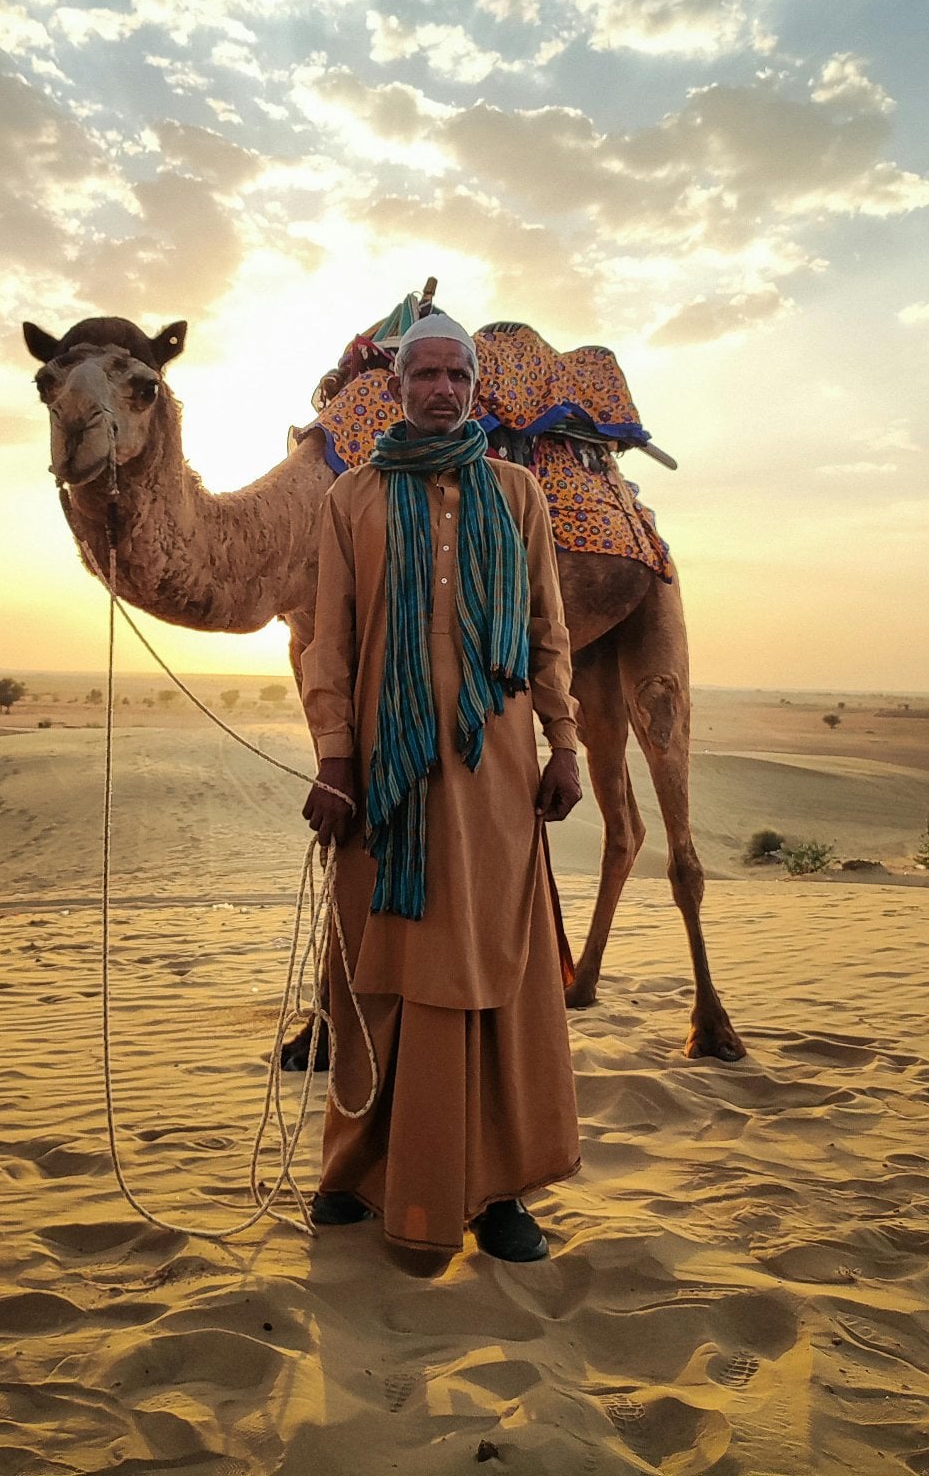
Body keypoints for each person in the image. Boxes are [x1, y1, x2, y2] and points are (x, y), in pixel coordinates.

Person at [300, 311, 583, 1262]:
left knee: (499, 971)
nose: (441, 390)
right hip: (388, 782)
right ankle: (353, 1174)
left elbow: (546, 631)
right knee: (376, 972)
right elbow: (330, 641)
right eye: (423, 374)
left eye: (456, 375)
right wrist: (334, 756)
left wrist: (565, 744)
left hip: (496, 770)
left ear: (474, 387)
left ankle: (500, 1190)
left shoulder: (517, 493)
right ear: (398, 387)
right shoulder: (352, 498)